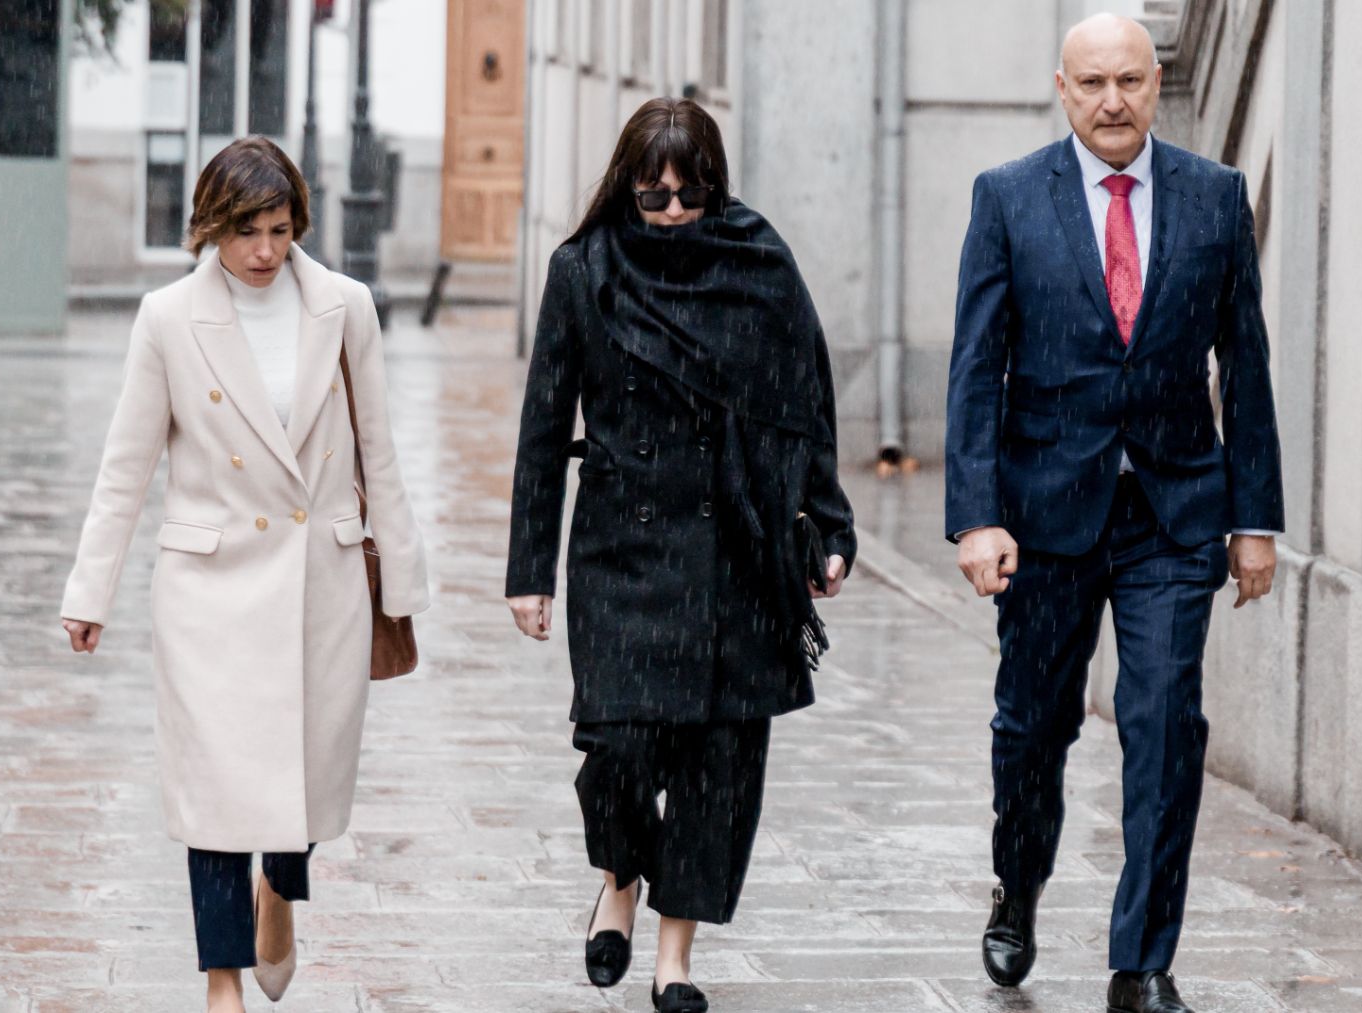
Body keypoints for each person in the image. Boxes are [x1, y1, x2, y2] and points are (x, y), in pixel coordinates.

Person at [945, 15, 1284, 1013]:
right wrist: (977, 514)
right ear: (1062, 88)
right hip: (1044, 514)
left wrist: (1253, 514)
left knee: (1166, 722)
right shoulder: (1009, 198)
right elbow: (975, 369)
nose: (1112, 101)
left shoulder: (1215, 198)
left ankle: (1142, 962)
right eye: (1091, 82)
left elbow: (1248, 366)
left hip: (1175, 509)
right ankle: (1020, 880)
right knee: (1033, 727)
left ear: (1155, 80)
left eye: (1129, 80)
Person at [58, 136, 429, 1013]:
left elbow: (379, 446)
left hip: (319, 585)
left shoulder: (346, 306)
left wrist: (402, 581)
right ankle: (222, 983)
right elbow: (127, 464)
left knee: (297, 778)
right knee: (216, 795)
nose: (265, 250)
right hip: (212, 590)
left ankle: (280, 892)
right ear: (209, 228)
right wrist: (89, 590)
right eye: (246, 231)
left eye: (280, 227)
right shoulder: (167, 318)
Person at [506, 97, 856, 1013]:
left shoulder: (761, 267)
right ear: (625, 188)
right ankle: (620, 876)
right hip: (622, 547)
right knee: (620, 746)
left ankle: (675, 958)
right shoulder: (583, 271)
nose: (670, 213)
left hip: (739, 546)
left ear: (715, 186)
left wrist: (829, 525)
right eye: (652, 196)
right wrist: (528, 570)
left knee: (717, 764)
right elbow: (545, 429)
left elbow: (804, 404)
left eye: (688, 195)